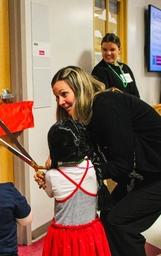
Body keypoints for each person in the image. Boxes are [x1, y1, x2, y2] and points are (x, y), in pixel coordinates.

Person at [35, 66, 161, 256]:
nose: (60, 102)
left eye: (64, 94)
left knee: (120, 223)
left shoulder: (107, 104)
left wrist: (70, 174)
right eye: (57, 97)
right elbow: (90, 160)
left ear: (80, 88)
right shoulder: (89, 117)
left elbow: (121, 164)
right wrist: (59, 168)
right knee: (109, 217)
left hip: (155, 173)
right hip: (145, 173)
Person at [42, 118, 111, 256]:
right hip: (91, 233)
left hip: (64, 237)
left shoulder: (52, 176)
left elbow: (50, 193)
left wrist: (44, 180)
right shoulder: (93, 168)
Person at [92, 33, 140, 98]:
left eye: (112, 49)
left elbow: (135, 93)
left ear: (119, 50)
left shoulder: (125, 68)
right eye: (105, 50)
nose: (108, 53)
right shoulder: (99, 71)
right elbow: (104, 98)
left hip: (132, 107)